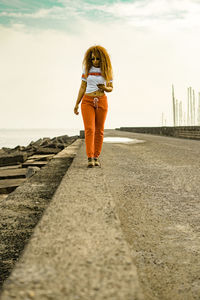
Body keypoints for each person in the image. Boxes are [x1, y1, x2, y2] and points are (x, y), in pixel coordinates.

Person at [74, 45, 113, 168]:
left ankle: (96, 156)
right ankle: (90, 157)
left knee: (99, 130)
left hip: (101, 100)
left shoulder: (107, 71)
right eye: (93, 59)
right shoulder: (87, 70)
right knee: (90, 129)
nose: (95, 61)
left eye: (97, 59)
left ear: (102, 59)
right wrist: (76, 103)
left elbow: (111, 88)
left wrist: (105, 88)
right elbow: (82, 87)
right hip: (87, 101)